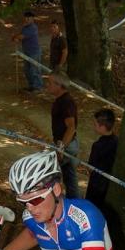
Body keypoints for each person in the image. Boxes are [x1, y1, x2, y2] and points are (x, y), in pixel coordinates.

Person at [47, 71, 80, 199]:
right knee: (69, 177)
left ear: (59, 85)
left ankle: (54, 202)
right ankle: (74, 202)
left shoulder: (66, 102)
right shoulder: (61, 100)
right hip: (67, 144)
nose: (47, 85)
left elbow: (71, 127)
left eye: (50, 83)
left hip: (67, 145)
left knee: (50, 173)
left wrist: (61, 147)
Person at [85, 108, 118, 212]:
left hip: (96, 186)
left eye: (95, 124)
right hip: (108, 186)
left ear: (102, 127)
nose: (93, 126)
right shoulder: (117, 141)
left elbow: (90, 167)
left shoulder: (97, 146)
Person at [11, 11, 43, 93]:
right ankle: (31, 86)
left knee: (34, 69)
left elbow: (21, 37)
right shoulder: (25, 28)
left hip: (34, 51)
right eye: (26, 17)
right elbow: (18, 36)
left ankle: (38, 87)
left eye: (29, 18)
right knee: (27, 70)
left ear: (32, 19)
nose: (27, 19)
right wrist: (15, 37)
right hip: (27, 52)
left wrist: (16, 37)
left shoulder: (33, 27)